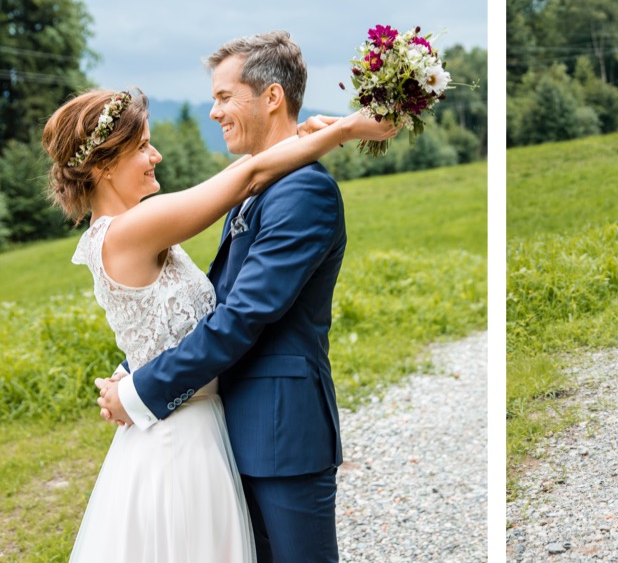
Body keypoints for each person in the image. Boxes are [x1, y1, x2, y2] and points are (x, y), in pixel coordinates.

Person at [44, 81, 393, 562]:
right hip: (179, 440)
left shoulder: (119, 231)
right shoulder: (136, 227)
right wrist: (349, 129)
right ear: (103, 165)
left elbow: (162, 322)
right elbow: (247, 177)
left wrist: (307, 132)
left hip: (192, 424)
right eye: (143, 147)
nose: (157, 156)